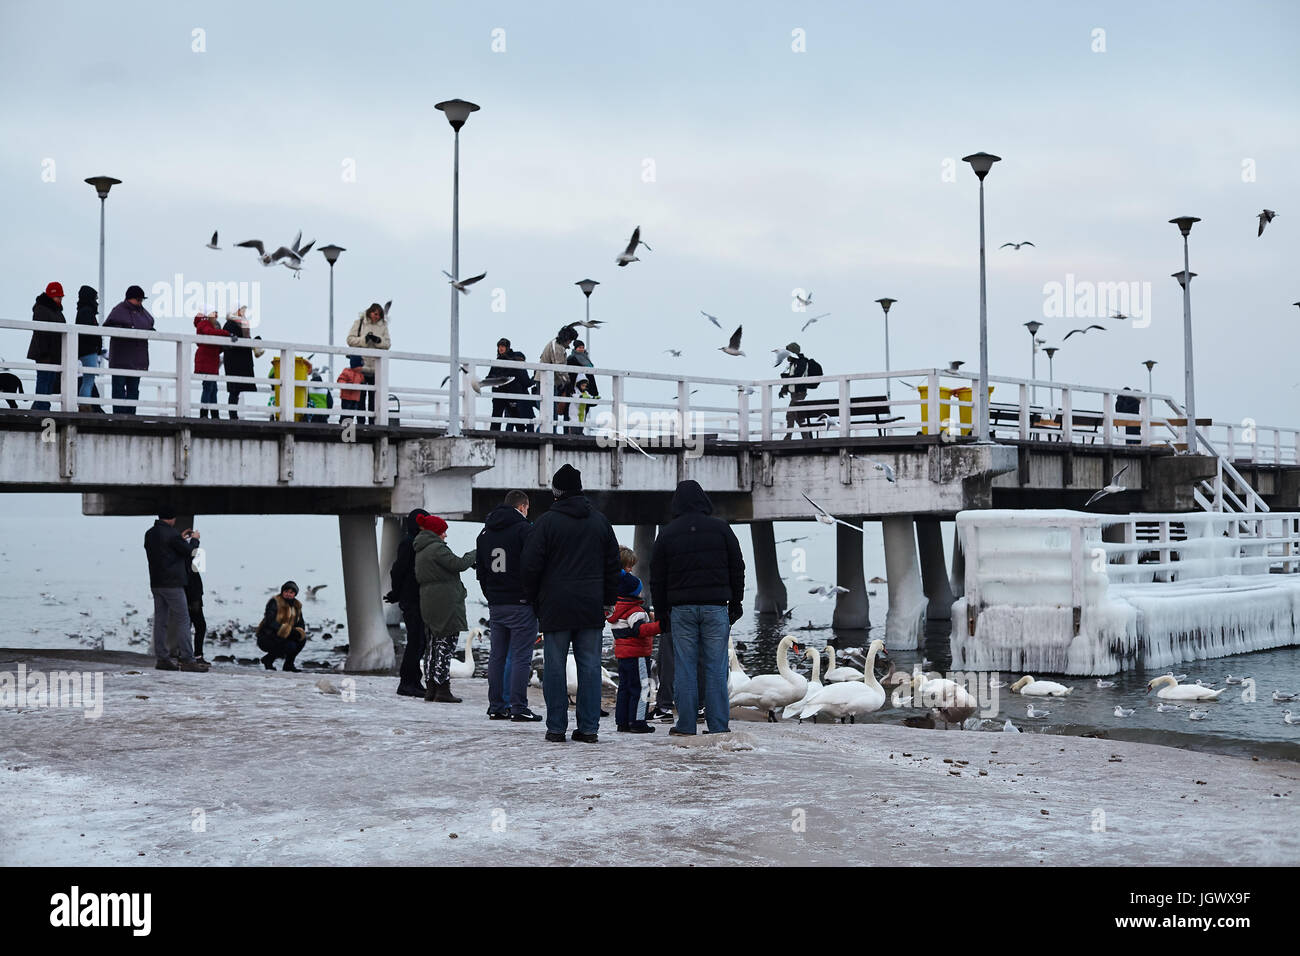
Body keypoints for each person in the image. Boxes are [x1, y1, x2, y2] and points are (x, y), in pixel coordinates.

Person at [520, 464, 620, 743]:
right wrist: (609, 599)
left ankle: (556, 727)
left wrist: (533, 598)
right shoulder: (600, 522)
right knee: (589, 666)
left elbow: (530, 565)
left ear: (556, 492)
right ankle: (588, 729)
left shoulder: (545, 523)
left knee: (554, 666)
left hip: (555, 605)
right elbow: (613, 565)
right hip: (591, 605)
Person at [650, 479, 746, 736]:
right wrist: (736, 602)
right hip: (716, 608)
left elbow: (657, 577)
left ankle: (685, 725)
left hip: (681, 610)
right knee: (716, 667)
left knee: (685, 667)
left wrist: (661, 612)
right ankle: (718, 725)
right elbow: (737, 567)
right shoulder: (721, 529)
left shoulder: (667, 533)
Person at [477, 490, 542, 721]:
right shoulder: (524, 530)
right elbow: (534, 566)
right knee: (521, 656)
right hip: (521, 603)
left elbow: (481, 571)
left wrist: (492, 595)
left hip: (496, 603)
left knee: (497, 655)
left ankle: (496, 705)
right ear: (523, 506)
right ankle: (518, 707)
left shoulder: (485, 532)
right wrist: (534, 597)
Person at [414, 513, 476, 703]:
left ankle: (431, 688)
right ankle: (442, 689)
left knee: (433, 647)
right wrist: (475, 553)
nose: (446, 536)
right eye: (443, 532)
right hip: (445, 605)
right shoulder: (436, 549)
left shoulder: (421, 549)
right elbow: (458, 564)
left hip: (430, 602)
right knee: (445, 646)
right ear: (436, 532)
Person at [143, 512, 208, 672]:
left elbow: (167, 549)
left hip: (156, 583)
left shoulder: (150, 533)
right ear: (172, 518)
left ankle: (162, 659)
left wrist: (180, 538)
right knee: (183, 620)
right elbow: (190, 551)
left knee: (160, 621)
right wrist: (195, 539)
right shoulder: (172, 534)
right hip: (173, 584)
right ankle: (187, 660)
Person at [609, 548, 661, 734]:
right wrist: (659, 626)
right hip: (638, 654)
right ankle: (638, 722)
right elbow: (640, 630)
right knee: (642, 688)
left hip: (623, 655)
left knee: (624, 688)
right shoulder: (636, 611)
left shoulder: (617, 609)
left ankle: (622, 722)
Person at [385, 508, 430, 697]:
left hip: (416, 597)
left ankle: (413, 681)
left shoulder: (416, 542)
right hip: (412, 599)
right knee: (415, 641)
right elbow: (398, 571)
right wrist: (397, 593)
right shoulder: (409, 543)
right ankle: (406, 682)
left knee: (419, 641)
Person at [104, 285, 156, 415]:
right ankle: (119, 416)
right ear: (130, 299)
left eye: (141, 300)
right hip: (121, 360)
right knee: (118, 389)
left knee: (133, 390)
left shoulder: (143, 313)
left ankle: (131, 415)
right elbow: (108, 326)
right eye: (138, 300)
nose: (140, 302)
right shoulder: (119, 310)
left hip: (136, 360)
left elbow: (150, 324)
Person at [346, 303, 390, 424]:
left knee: (374, 398)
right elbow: (349, 340)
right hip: (361, 365)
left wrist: (378, 340)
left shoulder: (384, 326)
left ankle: (372, 422)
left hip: (376, 368)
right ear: (370, 312)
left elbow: (387, 344)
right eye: (375, 313)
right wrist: (364, 339)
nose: (377, 316)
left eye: (379, 314)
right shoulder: (359, 322)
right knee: (360, 396)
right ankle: (360, 422)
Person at [27, 282, 67, 411]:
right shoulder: (42, 309)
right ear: (51, 295)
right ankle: (42, 407)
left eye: (61, 296)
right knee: (44, 380)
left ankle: (40, 406)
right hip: (45, 352)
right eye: (58, 296)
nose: (60, 299)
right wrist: (44, 352)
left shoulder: (55, 310)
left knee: (49, 381)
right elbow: (41, 332)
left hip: (53, 352)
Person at [257, 581, 308, 672]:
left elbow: (300, 622)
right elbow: (270, 621)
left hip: (284, 635)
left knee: (301, 639)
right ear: (282, 592)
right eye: (286, 592)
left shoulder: (297, 606)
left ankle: (288, 665)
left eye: (291, 592)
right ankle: (269, 659)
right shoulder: (275, 602)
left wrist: (299, 632)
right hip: (267, 635)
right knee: (290, 646)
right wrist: (288, 631)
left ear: (295, 594)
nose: (288, 594)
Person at [221, 306, 260, 419]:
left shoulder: (239, 323)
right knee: (234, 389)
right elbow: (232, 341)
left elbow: (245, 338)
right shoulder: (230, 324)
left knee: (235, 390)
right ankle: (233, 415)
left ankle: (233, 415)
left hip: (239, 360)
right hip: (235, 361)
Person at [778, 342, 822, 440]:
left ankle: (788, 437)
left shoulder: (802, 362)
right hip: (794, 393)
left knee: (790, 414)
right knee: (798, 416)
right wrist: (783, 389)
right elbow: (791, 378)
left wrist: (785, 377)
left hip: (799, 393)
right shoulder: (793, 363)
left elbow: (798, 376)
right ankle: (806, 438)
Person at [537, 327, 576, 433]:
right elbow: (559, 367)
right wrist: (568, 382)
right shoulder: (558, 348)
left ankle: (547, 432)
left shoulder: (556, 345)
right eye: (570, 340)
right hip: (545, 382)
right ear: (567, 339)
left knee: (549, 413)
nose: (570, 343)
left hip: (548, 381)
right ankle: (549, 434)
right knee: (550, 413)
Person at [193, 310, 230, 418]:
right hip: (207, 362)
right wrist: (227, 334)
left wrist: (222, 347)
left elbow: (215, 349)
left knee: (212, 388)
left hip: (211, 361)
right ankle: (205, 413)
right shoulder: (205, 325)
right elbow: (211, 334)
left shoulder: (206, 326)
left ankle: (214, 414)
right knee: (208, 387)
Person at [73, 285, 102, 412]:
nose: (96, 301)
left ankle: (85, 404)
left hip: (86, 350)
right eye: (95, 298)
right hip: (88, 351)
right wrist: (96, 345)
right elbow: (88, 332)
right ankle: (85, 405)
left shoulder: (83, 311)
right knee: (88, 379)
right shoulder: (87, 311)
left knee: (88, 380)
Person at [566, 339, 599, 434]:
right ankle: (571, 432)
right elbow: (570, 374)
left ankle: (580, 430)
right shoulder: (571, 358)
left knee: (584, 410)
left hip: (586, 388)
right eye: (579, 347)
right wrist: (570, 387)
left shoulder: (586, 358)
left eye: (583, 347)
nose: (581, 349)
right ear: (575, 348)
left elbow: (591, 375)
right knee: (572, 412)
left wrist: (594, 392)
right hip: (574, 388)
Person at [487, 338, 517, 432]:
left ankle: (521, 433)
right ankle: (494, 433)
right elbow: (490, 375)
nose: (501, 348)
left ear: (507, 347)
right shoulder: (497, 361)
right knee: (496, 414)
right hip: (498, 392)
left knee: (515, 414)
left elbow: (513, 375)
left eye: (503, 346)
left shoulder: (513, 359)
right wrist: (490, 380)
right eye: (499, 346)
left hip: (509, 392)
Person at [185, 549, 208, 665]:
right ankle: (197, 655)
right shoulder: (188, 565)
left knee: (188, 626)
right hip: (193, 600)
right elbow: (192, 585)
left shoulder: (186, 564)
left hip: (193, 599)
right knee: (200, 626)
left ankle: (186, 653)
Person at [505, 346, 535, 432]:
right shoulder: (520, 368)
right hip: (522, 398)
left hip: (510, 397)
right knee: (529, 418)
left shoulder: (508, 368)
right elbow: (526, 383)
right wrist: (533, 379)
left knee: (511, 419)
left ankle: (508, 434)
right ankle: (530, 435)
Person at [336, 355, 366, 420]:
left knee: (352, 414)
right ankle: (343, 425)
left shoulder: (360, 374)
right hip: (346, 397)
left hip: (355, 398)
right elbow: (340, 380)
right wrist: (346, 385)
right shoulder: (347, 372)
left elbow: (362, 381)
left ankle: (349, 426)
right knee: (345, 412)